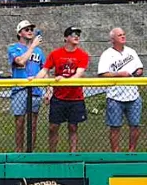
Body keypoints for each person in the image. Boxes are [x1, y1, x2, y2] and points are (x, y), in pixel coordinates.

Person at [30, 26, 89, 153]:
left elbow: (78, 74)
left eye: (78, 34)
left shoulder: (82, 55)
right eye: (73, 34)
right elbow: (45, 70)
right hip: (59, 97)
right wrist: (34, 79)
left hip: (75, 97)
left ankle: (73, 154)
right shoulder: (55, 54)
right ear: (66, 37)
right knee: (53, 127)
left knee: (73, 127)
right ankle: (53, 154)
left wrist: (64, 79)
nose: (76, 36)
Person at [97, 27, 144, 152]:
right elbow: (102, 74)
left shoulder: (131, 52)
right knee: (115, 127)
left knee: (135, 125)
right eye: (119, 35)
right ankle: (116, 153)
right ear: (113, 39)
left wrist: (138, 72)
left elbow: (140, 68)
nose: (123, 37)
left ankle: (131, 151)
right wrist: (119, 74)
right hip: (115, 96)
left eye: (124, 34)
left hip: (133, 95)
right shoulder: (107, 54)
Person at [8, 20, 45, 153]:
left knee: (33, 124)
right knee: (20, 123)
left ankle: (31, 153)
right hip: (20, 89)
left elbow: (44, 69)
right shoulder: (14, 48)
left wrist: (49, 89)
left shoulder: (39, 52)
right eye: (26, 29)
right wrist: (32, 46)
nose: (30, 31)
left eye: (31, 29)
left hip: (35, 89)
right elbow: (20, 61)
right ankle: (19, 152)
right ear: (19, 33)